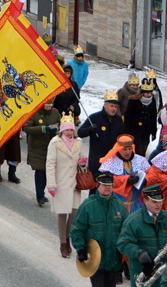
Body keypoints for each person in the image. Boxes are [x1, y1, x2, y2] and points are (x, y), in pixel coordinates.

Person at [117, 185, 167, 287]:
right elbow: (122, 243)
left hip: (165, 275)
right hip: (142, 272)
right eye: (154, 202)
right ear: (145, 201)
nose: (158, 205)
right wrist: (139, 253)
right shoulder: (133, 220)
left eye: (160, 201)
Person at [71, 172, 126, 287]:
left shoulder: (120, 206)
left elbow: (127, 231)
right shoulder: (88, 205)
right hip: (95, 260)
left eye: (110, 185)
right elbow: (77, 229)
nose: (107, 187)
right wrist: (80, 249)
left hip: (113, 260)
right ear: (97, 185)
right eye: (104, 184)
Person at [46, 114, 85, 258]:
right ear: (61, 130)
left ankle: (68, 237)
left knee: (74, 213)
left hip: (74, 183)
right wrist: (51, 183)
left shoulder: (78, 142)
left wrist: (82, 162)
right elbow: (50, 164)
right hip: (60, 183)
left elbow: (81, 159)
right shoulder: (55, 143)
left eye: (71, 130)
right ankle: (63, 243)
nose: (69, 132)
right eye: (66, 130)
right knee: (62, 213)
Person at [98, 134, 151, 213]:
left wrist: (145, 180)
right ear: (118, 149)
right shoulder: (110, 162)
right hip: (116, 206)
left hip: (136, 206)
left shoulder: (141, 160)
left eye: (130, 149)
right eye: (124, 149)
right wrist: (127, 180)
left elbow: (152, 176)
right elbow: (107, 181)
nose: (128, 152)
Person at [78, 89, 124, 174]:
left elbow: (121, 137)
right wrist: (90, 130)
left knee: (110, 185)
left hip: (112, 159)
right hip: (96, 159)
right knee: (95, 184)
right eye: (112, 106)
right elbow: (80, 133)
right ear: (105, 105)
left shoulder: (118, 119)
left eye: (115, 107)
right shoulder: (94, 118)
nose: (114, 109)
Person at [24, 101, 61, 206]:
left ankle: (43, 193)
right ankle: (40, 196)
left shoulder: (55, 112)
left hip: (52, 147)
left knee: (48, 171)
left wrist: (57, 129)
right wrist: (43, 129)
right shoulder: (34, 113)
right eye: (46, 106)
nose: (48, 108)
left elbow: (61, 124)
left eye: (50, 106)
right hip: (37, 147)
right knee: (40, 171)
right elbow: (26, 128)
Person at [124, 78, 157, 156]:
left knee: (144, 147)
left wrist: (153, 131)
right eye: (146, 93)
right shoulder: (133, 101)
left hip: (146, 130)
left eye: (150, 93)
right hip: (134, 129)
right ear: (142, 93)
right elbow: (128, 116)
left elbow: (153, 116)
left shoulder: (152, 101)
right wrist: (126, 130)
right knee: (138, 149)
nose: (148, 95)